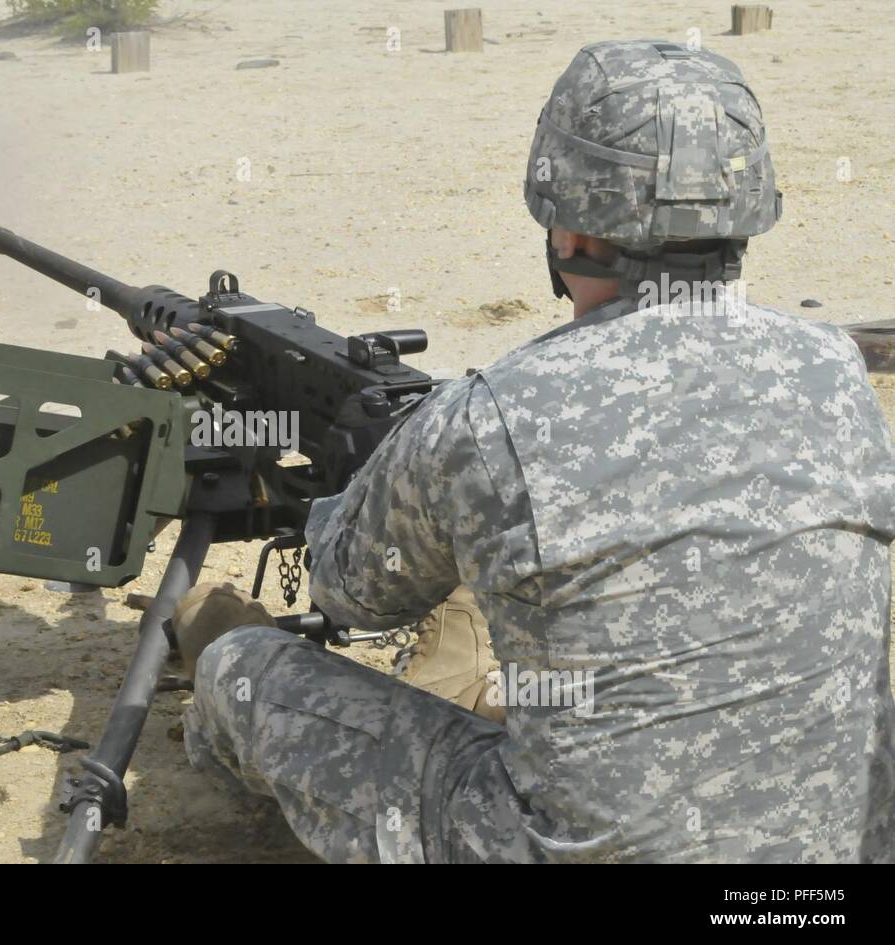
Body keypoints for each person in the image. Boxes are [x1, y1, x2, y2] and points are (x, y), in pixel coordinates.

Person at [175, 39, 895, 863]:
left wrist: (379, 475)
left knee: (239, 664)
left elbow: (350, 593)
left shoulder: (491, 415)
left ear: (573, 222)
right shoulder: (837, 370)